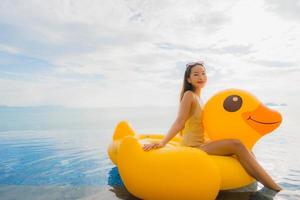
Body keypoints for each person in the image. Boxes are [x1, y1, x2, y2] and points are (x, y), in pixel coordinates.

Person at [142, 61, 282, 192]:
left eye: (203, 73)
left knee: (244, 147)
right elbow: (180, 121)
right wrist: (163, 142)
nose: (200, 77)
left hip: (202, 143)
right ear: (189, 79)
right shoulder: (189, 95)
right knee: (236, 144)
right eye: (196, 74)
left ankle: (260, 179)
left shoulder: (199, 98)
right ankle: (274, 188)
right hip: (192, 147)